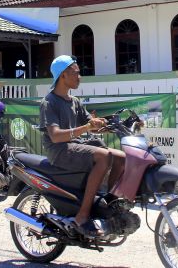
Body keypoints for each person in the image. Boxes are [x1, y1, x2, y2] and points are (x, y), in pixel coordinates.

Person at [39, 55, 126, 237]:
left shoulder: (74, 101)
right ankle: (82, 215)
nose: (79, 77)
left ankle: (109, 204)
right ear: (63, 75)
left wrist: (106, 125)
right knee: (103, 156)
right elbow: (55, 136)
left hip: (74, 147)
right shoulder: (49, 102)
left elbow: (90, 125)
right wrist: (87, 127)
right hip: (59, 151)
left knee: (120, 157)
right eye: (76, 73)